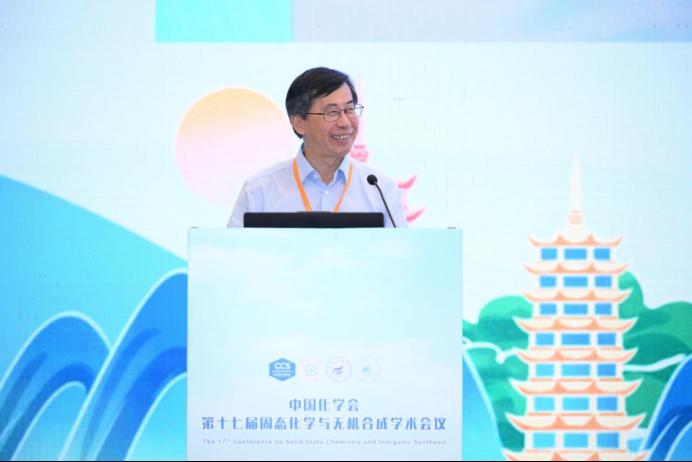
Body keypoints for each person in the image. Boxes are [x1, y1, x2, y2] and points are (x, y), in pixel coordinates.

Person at [227, 67, 406, 228]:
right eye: (332, 112)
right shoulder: (259, 191)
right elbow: (234, 252)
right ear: (299, 123)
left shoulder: (381, 190)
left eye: (350, 109)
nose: (345, 122)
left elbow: (400, 252)